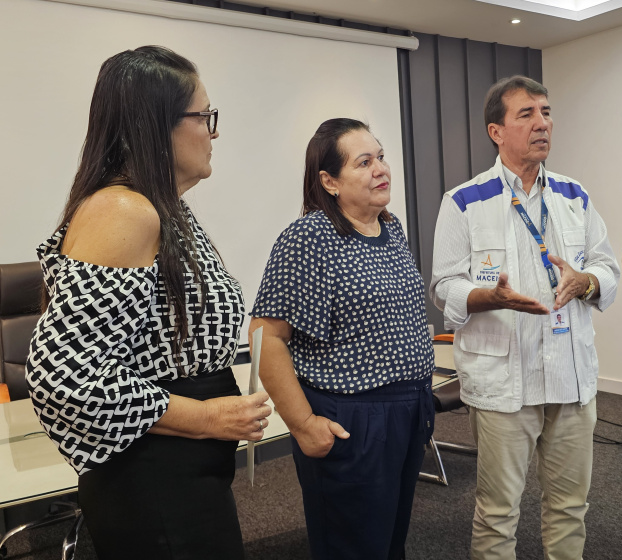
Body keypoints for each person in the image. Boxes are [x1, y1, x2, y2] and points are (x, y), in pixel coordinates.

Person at [25, 46, 272, 560]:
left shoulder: (163, 207)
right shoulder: (125, 210)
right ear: (157, 123)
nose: (214, 131)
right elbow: (64, 378)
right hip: (153, 475)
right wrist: (206, 418)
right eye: (205, 116)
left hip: (180, 468)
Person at [430, 76, 620, 560]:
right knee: (497, 513)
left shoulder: (574, 195)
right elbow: (443, 286)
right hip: (503, 384)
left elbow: (606, 266)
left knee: (570, 507)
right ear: (497, 131)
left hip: (572, 378)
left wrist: (587, 282)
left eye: (547, 112)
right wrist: (487, 297)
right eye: (527, 114)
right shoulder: (464, 201)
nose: (543, 124)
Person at [249, 118, 435, 560]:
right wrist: (303, 424)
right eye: (364, 162)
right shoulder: (310, 236)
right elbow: (265, 336)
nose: (381, 169)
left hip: (406, 413)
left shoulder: (389, 230)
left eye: (382, 157)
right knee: (352, 547)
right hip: (355, 420)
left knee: (389, 542)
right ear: (329, 181)